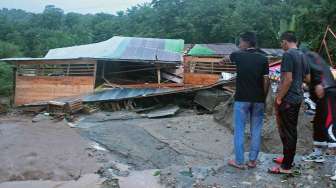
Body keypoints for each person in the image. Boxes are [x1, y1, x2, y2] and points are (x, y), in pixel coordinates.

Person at [269, 31, 310, 174]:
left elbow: (288, 80)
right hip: (298, 97)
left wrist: (279, 97)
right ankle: (287, 158)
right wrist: (298, 84)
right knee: (290, 129)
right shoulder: (302, 55)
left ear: (285, 42)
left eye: (281, 43)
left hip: (288, 99)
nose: (281, 46)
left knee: (288, 131)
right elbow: (308, 78)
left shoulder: (288, 55)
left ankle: (286, 166)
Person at [228, 31, 270, 169]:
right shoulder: (264, 58)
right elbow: (266, 80)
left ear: (246, 42)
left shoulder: (238, 55)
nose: (239, 45)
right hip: (258, 100)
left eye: (240, 42)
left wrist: (223, 59)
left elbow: (229, 57)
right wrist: (263, 98)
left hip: (242, 99)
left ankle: (239, 161)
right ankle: (252, 161)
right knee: (256, 130)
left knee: (239, 129)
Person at [301, 51, 336, 163]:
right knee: (318, 123)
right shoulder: (305, 56)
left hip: (328, 92)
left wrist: (318, 83)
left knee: (330, 127)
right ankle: (317, 154)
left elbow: (316, 70)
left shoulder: (306, 55)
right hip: (322, 96)